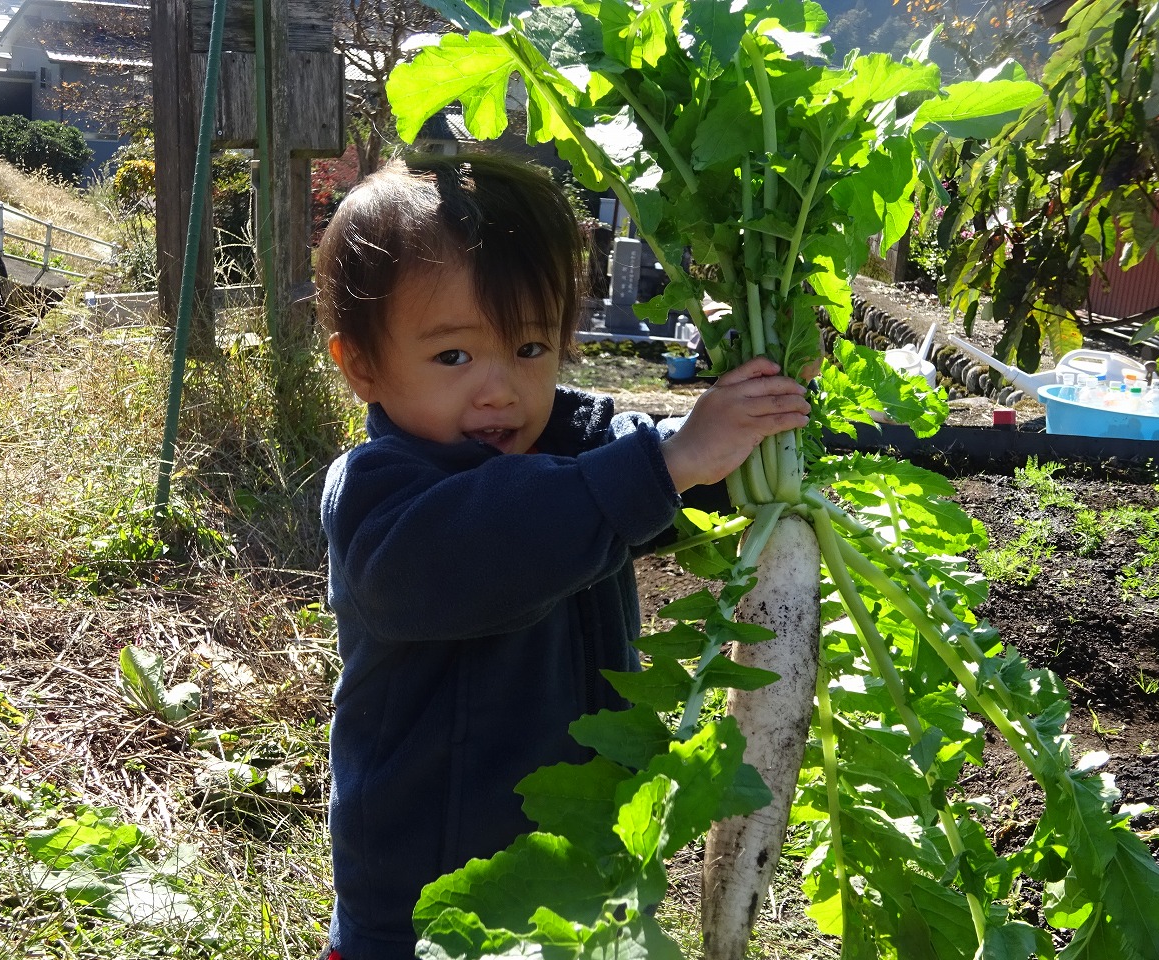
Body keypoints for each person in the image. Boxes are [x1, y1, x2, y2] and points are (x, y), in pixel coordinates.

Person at [314, 153, 810, 960]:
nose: (500, 389)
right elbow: (491, 543)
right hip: (421, 898)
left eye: (530, 346)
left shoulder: (577, 443)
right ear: (362, 365)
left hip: (574, 872)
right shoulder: (379, 495)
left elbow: (655, 478)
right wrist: (667, 466)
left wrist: (747, 430)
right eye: (454, 357)